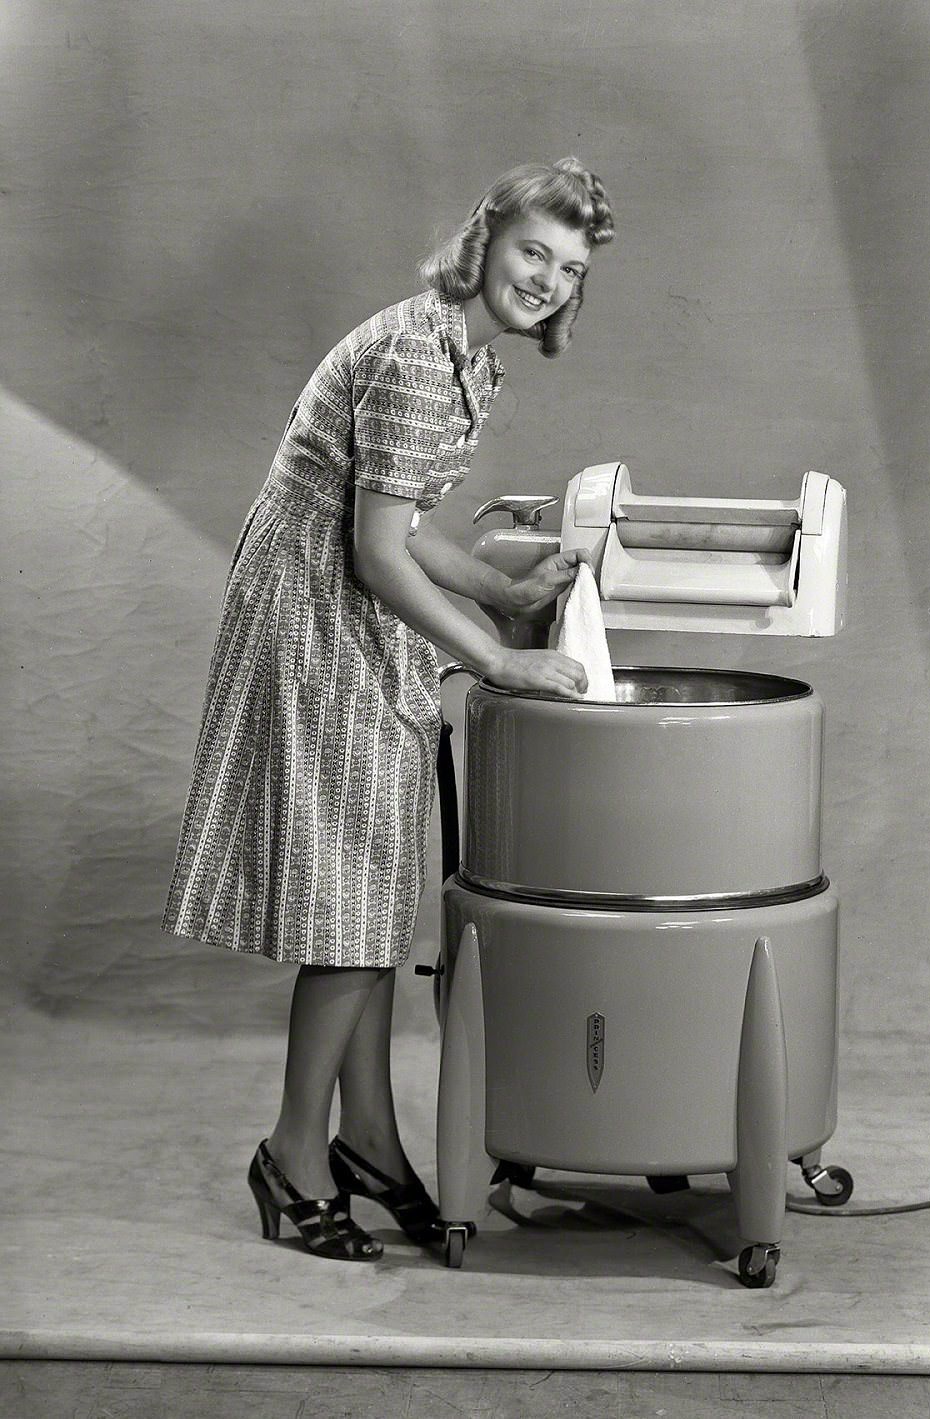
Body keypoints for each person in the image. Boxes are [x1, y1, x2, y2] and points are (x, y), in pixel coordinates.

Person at [162, 156, 615, 1261]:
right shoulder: (419, 355)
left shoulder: (465, 357)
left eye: (569, 269)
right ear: (484, 238)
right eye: (531, 253)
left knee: (367, 899)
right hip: (315, 614)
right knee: (350, 909)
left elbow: (407, 532)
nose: (547, 280)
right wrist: (497, 663)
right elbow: (374, 555)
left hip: (340, 605)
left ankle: (365, 1138)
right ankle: (292, 1154)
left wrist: (503, 592)